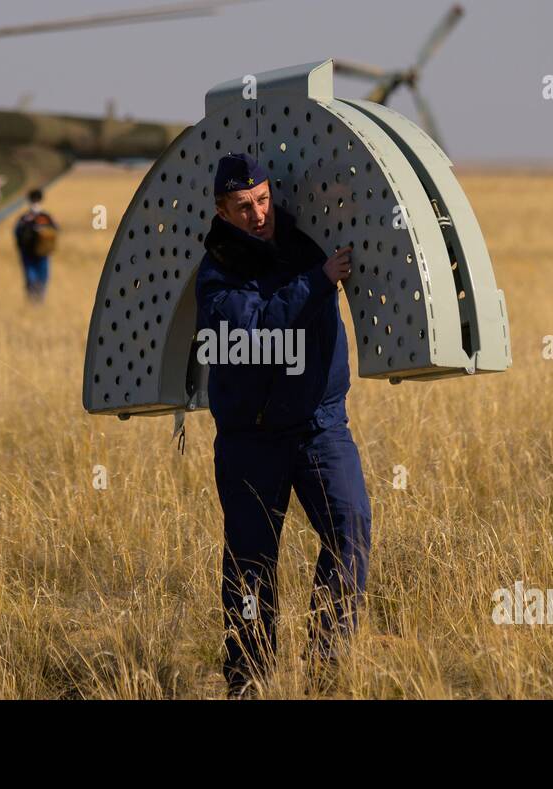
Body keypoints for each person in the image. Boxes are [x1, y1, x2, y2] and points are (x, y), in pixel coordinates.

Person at [194, 153, 371, 698]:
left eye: (264, 199)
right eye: (244, 206)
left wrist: (315, 273)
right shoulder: (217, 269)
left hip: (320, 425)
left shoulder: (307, 241)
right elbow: (253, 329)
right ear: (223, 212)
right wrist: (316, 283)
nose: (258, 213)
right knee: (251, 567)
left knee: (352, 531)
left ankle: (325, 663)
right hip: (251, 438)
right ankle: (249, 680)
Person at [13, 188, 58, 303]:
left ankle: (35, 301)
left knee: (35, 277)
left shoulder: (25, 218)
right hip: (37, 253)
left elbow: (17, 233)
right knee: (37, 277)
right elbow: (56, 230)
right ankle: (36, 300)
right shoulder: (45, 217)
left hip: (34, 253)